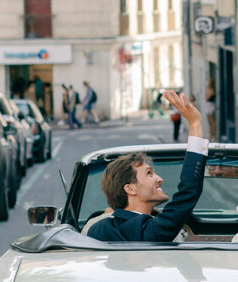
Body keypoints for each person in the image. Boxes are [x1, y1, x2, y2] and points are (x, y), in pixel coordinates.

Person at [87, 92, 206, 242]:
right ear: (130, 188)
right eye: (149, 173)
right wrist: (195, 123)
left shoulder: (96, 229)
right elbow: (189, 190)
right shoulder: (149, 230)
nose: (160, 179)